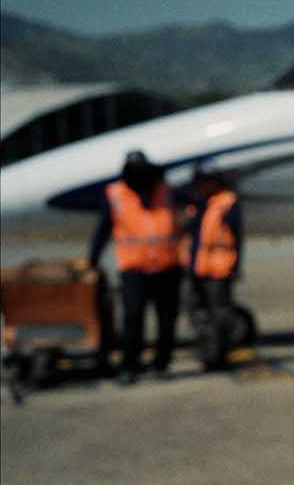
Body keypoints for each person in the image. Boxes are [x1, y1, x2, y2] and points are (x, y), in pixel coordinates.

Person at [88, 150, 182, 385]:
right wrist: (92, 260)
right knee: (133, 316)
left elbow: (193, 210)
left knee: (167, 319)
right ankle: (130, 364)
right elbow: (103, 230)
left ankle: (162, 362)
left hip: (167, 266)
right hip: (134, 268)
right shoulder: (115, 194)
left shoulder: (166, 190)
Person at [182, 168, 243, 367]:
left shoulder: (227, 202)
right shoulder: (197, 204)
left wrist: (235, 266)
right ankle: (209, 353)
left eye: (204, 182)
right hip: (196, 268)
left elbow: (237, 237)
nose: (200, 186)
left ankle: (221, 354)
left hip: (219, 269)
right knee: (198, 313)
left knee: (221, 314)